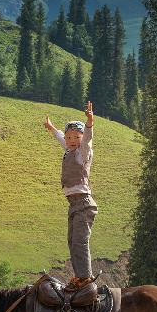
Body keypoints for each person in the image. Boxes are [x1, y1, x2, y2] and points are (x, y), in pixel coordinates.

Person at [44, 101, 97, 284]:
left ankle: (85, 277)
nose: (72, 140)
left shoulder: (83, 153)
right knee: (72, 241)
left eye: (76, 137)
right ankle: (79, 275)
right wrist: (52, 128)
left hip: (84, 204)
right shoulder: (68, 149)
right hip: (73, 205)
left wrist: (89, 122)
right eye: (69, 137)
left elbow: (88, 139)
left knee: (80, 241)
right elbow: (61, 137)